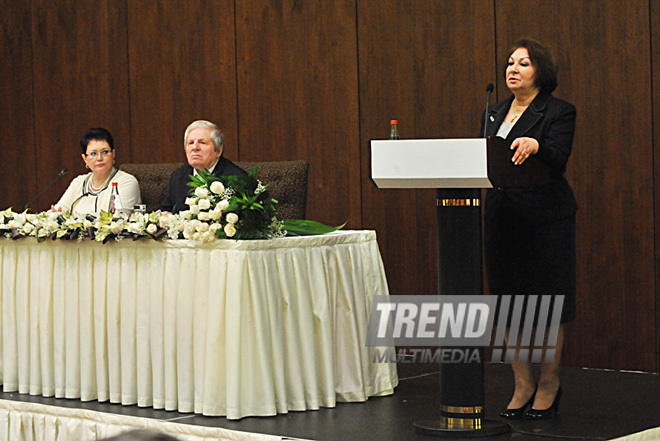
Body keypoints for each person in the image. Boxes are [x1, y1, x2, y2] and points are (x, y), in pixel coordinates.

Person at [482, 39, 577, 420]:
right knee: (509, 305)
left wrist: (536, 144)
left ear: (541, 70)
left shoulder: (559, 111)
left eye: (523, 62)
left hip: (545, 218)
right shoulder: (494, 112)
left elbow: (558, 157)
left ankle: (549, 383)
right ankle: (522, 383)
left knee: (548, 303)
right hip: (502, 216)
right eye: (509, 62)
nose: (513, 68)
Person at [158, 120, 246, 213]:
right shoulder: (178, 176)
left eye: (202, 142)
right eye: (191, 143)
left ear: (218, 151)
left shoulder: (237, 178)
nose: (195, 148)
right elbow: (166, 209)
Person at [52, 128, 141, 215]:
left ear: (113, 154)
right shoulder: (78, 182)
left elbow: (118, 218)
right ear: (85, 159)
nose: (99, 158)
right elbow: (60, 209)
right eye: (93, 154)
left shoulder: (127, 182)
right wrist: (53, 215)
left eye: (105, 152)